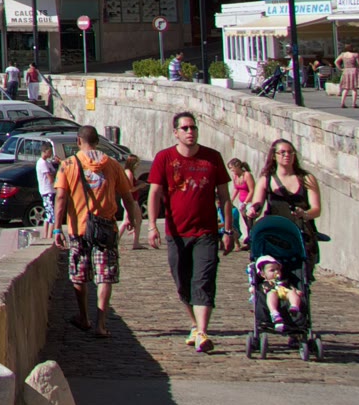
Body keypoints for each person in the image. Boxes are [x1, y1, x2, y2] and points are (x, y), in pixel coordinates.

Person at [147, 110, 234, 353]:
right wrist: (152, 226)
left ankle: (203, 332)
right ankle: (195, 325)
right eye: (184, 128)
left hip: (206, 231)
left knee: (203, 280)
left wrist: (228, 230)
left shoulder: (212, 158)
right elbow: (154, 193)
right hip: (177, 233)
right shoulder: (165, 158)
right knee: (182, 282)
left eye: (193, 127)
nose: (190, 132)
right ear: (175, 132)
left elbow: (224, 196)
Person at [54, 125, 139, 337]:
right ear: (98, 142)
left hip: (79, 228)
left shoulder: (68, 165)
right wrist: (131, 219)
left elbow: (61, 198)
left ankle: (84, 317)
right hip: (105, 227)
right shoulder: (112, 164)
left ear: (78, 141)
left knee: (79, 274)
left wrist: (56, 228)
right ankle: (101, 324)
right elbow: (127, 197)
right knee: (105, 275)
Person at [248, 137, 323, 262]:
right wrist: (253, 210)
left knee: (302, 268)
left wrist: (304, 214)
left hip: (301, 232)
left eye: (290, 152)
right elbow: (257, 204)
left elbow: (316, 209)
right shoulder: (266, 180)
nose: (287, 155)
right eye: (282, 152)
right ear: (274, 156)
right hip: (275, 233)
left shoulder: (306, 179)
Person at [256, 256, 305, 332]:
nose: (276, 272)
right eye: (272, 270)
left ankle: (294, 306)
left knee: (292, 292)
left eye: (278, 269)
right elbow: (262, 290)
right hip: (272, 292)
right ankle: (274, 313)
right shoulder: (265, 283)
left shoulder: (284, 281)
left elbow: (291, 287)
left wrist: (296, 291)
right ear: (263, 274)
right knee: (271, 294)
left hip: (285, 292)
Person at [225, 157, 254, 243]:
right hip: (241, 202)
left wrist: (245, 202)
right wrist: (231, 200)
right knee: (246, 222)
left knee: (250, 221)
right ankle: (250, 240)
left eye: (232, 168)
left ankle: (252, 240)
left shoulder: (247, 175)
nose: (231, 170)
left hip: (249, 201)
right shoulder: (235, 176)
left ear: (237, 166)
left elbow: (252, 190)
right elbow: (236, 189)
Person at [34, 140, 60, 226]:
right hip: (47, 191)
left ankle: (46, 233)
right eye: (50, 151)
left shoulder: (47, 162)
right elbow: (50, 179)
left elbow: (54, 173)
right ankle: (50, 233)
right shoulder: (42, 163)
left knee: (48, 215)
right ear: (45, 151)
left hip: (50, 191)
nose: (51, 153)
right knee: (52, 216)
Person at [336, 44, 359, 109]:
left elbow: (336, 62)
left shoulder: (343, 54)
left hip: (346, 70)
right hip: (354, 70)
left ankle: (342, 103)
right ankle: (353, 104)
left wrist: (340, 68)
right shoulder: (355, 55)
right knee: (354, 88)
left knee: (346, 88)